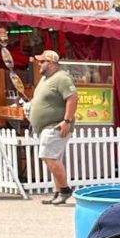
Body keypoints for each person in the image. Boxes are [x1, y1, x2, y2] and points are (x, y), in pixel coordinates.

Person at [29, 49, 79, 205]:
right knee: (54, 158)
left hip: (56, 125)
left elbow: (72, 98)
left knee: (48, 157)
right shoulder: (46, 79)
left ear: (51, 63)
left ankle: (64, 190)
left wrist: (67, 121)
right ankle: (57, 193)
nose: (39, 64)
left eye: (42, 61)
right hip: (47, 126)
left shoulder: (61, 78)